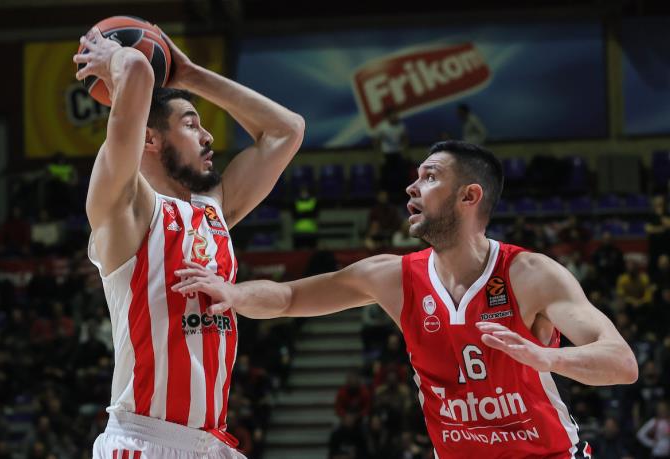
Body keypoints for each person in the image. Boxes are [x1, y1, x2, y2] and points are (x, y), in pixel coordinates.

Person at [173, 140, 638, 458]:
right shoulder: (393, 277)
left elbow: (621, 362)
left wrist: (545, 358)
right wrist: (232, 293)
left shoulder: (529, 274)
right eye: (416, 177)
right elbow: (289, 297)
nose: (412, 188)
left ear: (469, 196)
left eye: (430, 177)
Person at [73, 25, 304, 458]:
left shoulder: (213, 210)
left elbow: (286, 131)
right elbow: (137, 70)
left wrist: (191, 74)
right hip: (144, 441)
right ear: (149, 138)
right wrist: (113, 58)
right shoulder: (125, 209)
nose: (208, 136)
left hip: (210, 442)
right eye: (191, 123)